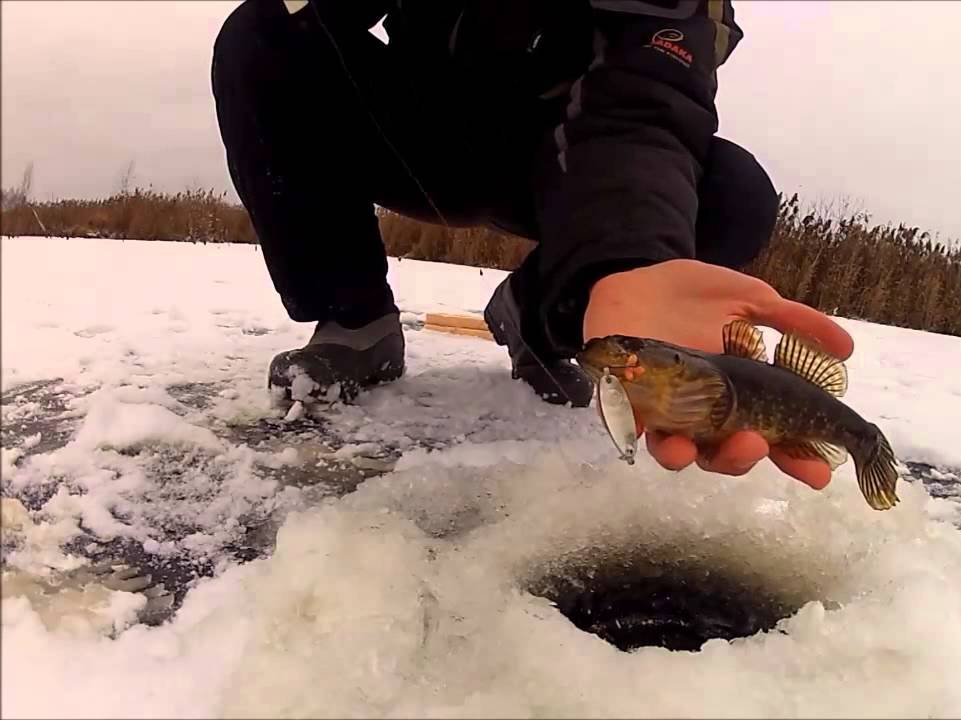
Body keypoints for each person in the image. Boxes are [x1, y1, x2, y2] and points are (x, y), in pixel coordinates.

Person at [211, 0, 853, 490]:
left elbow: (644, 102)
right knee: (261, 35)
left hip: (572, 158)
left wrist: (626, 267)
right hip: (417, 132)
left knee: (731, 199)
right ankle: (354, 318)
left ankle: (543, 314)